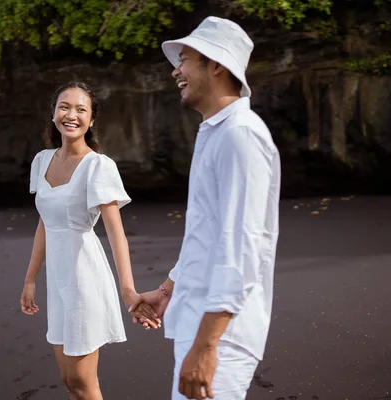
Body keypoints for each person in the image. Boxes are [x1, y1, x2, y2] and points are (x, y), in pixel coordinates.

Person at [131, 16, 282, 400]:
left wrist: (208, 345)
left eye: (184, 59)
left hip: (222, 334)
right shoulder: (217, 131)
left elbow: (243, 248)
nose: (175, 71)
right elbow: (207, 236)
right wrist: (167, 290)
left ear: (215, 64)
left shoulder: (240, 135)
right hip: (198, 320)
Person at [20, 81, 160, 400]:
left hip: (85, 280)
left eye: (81, 109)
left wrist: (128, 291)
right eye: (64, 107)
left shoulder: (98, 166)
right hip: (57, 282)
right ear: (54, 113)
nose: (72, 115)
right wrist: (30, 280)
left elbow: (115, 233)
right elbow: (46, 222)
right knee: (69, 381)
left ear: (91, 120)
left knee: (84, 383)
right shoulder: (42, 161)